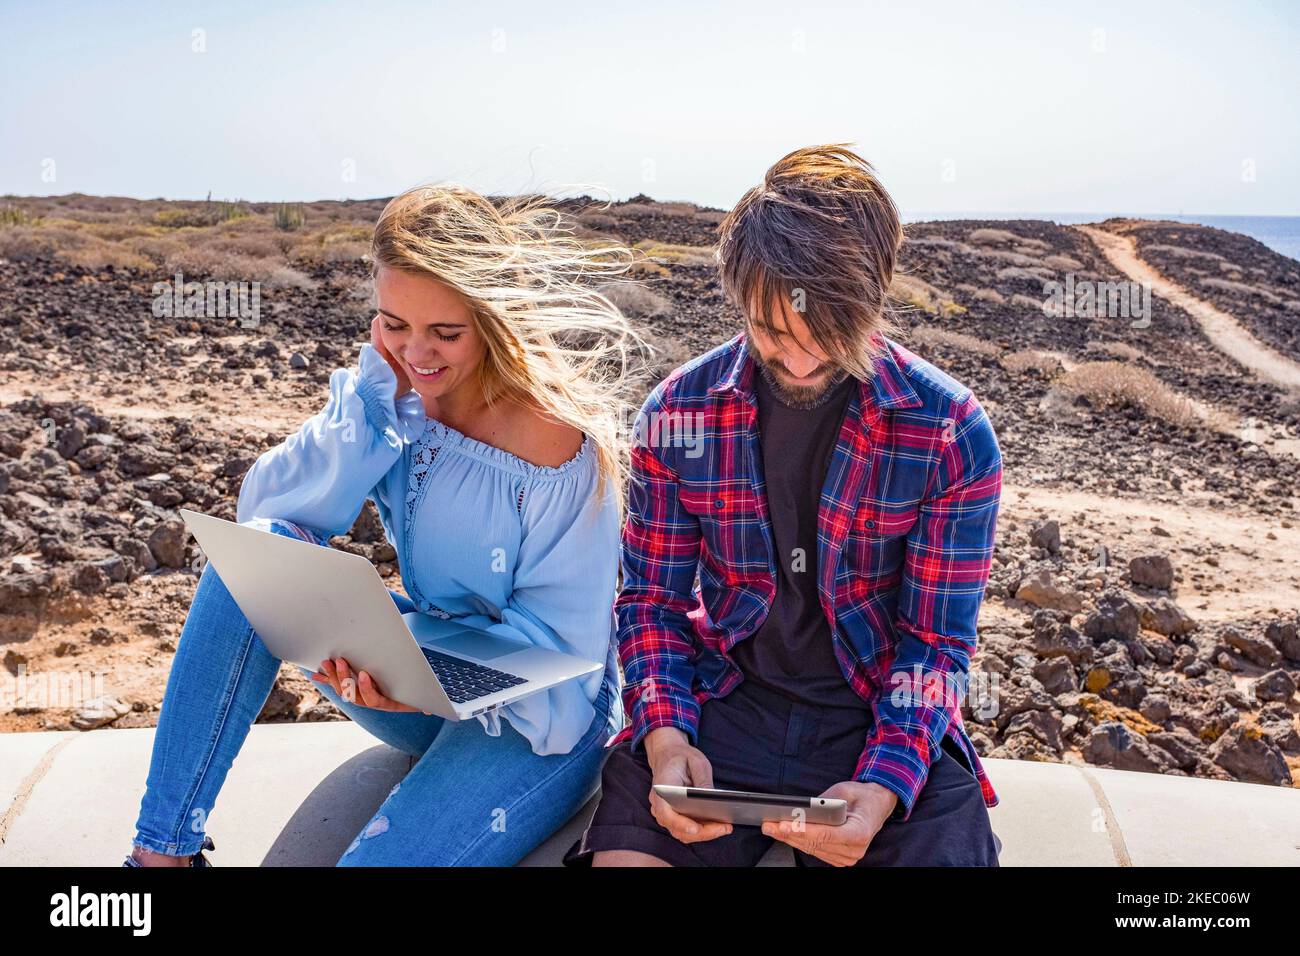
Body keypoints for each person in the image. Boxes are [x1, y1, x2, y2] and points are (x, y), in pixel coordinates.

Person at [124, 184, 642, 866]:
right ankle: (164, 854)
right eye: (394, 323)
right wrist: (371, 410)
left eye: (445, 332)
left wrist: (418, 677)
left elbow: (561, 655)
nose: (417, 352)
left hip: (539, 725)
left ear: (492, 317)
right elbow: (269, 513)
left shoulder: (552, 441)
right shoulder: (398, 394)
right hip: (416, 681)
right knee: (248, 569)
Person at [564, 144, 1004, 867]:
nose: (799, 363)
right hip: (723, 704)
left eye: (828, 340)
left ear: (876, 298)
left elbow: (936, 645)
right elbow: (650, 604)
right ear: (738, 299)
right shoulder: (677, 414)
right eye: (772, 333)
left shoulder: (950, 431)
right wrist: (668, 740)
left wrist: (885, 786)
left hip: (875, 714)